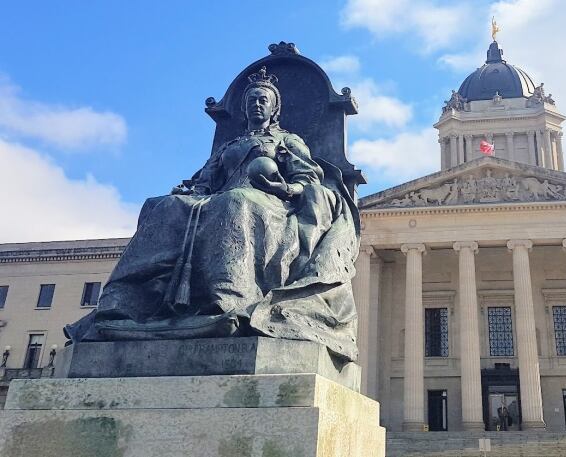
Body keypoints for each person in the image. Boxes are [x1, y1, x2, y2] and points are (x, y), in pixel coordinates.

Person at [65, 67, 360, 361]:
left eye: (263, 100)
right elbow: (205, 182)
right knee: (163, 206)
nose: (257, 104)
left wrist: (284, 187)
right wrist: (187, 193)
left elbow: (308, 179)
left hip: (271, 204)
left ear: (275, 108)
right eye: (252, 100)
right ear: (244, 108)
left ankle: (228, 298)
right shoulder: (229, 146)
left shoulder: (286, 141)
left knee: (236, 201)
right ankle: (125, 300)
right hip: (217, 200)